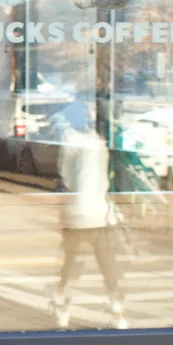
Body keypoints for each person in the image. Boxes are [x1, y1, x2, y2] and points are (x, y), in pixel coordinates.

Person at [52, 101, 127, 330]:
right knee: (94, 264)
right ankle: (113, 311)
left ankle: (67, 305)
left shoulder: (79, 141)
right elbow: (80, 177)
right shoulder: (89, 141)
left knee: (86, 264)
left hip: (88, 213)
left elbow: (67, 176)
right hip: (89, 212)